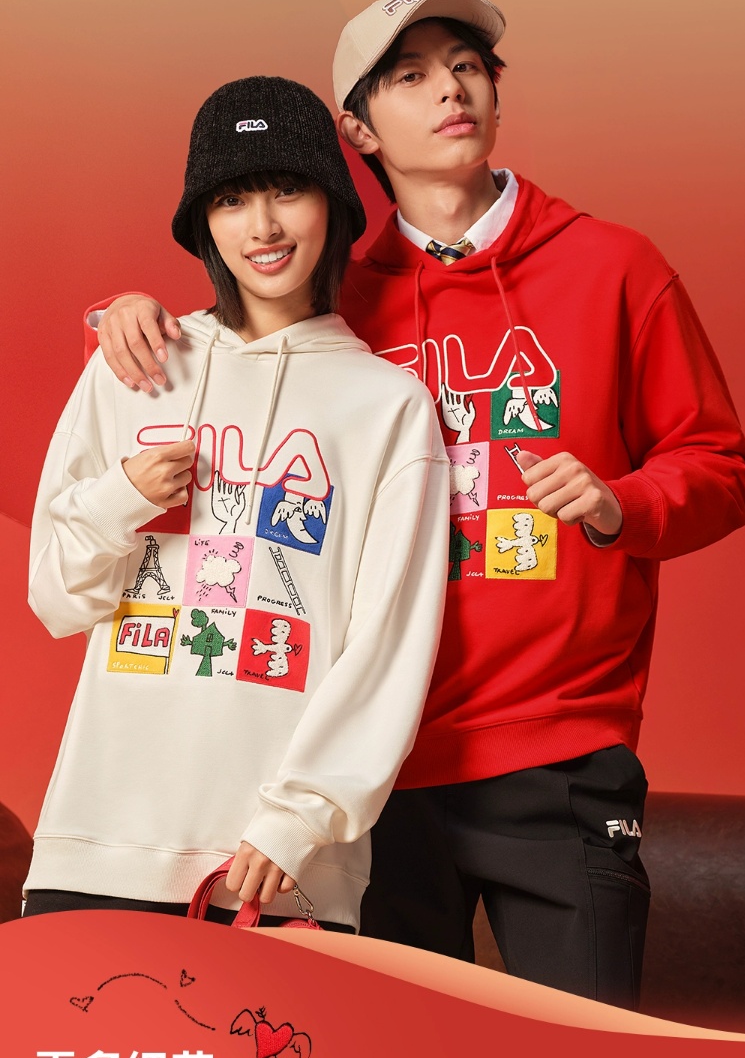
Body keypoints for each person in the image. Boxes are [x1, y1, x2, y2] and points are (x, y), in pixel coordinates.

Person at [82, 0, 745, 1005]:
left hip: (560, 745)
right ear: (358, 130)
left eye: (468, 66)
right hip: (370, 765)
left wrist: (622, 504)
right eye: (411, 75)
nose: (451, 90)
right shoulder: (333, 300)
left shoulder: (616, 267)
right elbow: (217, 357)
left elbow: (720, 463)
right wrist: (128, 312)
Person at [24, 75, 449, 931]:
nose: (262, 227)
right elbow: (56, 598)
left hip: (274, 864)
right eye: (231, 199)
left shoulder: (389, 406)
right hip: (98, 838)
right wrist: (120, 497)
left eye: (287, 190)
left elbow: (391, 640)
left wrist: (299, 819)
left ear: (331, 204)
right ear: (202, 223)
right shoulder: (136, 364)